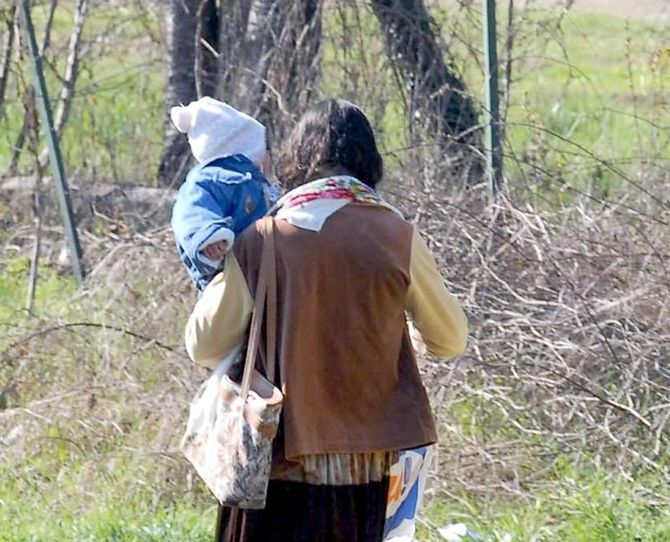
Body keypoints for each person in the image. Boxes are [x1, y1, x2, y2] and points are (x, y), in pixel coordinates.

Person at [184, 98, 469, 542]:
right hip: (367, 469)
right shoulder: (398, 238)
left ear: (294, 159)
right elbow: (450, 339)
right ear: (369, 162)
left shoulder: (262, 240)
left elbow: (203, 346)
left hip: (273, 464)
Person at [170, 97, 279, 291]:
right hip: (229, 281)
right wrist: (209, 237)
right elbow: (191, 211)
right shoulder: (208, 180)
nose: (270, 155)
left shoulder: (264, 186)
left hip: (267, 277)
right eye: (264, 148)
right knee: (230, 318)